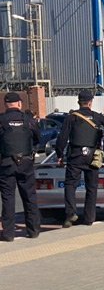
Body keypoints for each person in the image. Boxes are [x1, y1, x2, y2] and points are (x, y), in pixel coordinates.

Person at [55, 90, 104, 228]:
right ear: (90, 102)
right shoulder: (97, 117)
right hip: (92, 156)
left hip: (75, 155)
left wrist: (59, 154)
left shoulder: (71, 117)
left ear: (78, 102)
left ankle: (70, 214)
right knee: (91, 187)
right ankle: (89, 218)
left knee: (70, 185)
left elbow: (62, 138)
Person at [0, 92, 41, 242]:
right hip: (25, 161)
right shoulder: (28, 120)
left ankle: (9, 233)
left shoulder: (1, 120)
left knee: (8, 198)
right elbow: (38, 137)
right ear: (19, 104)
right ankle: (33, 230)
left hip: (6, 163)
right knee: (29, 196)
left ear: (5, 105)